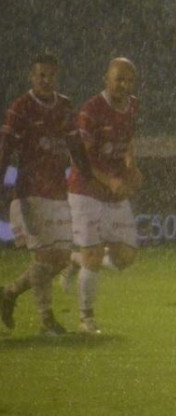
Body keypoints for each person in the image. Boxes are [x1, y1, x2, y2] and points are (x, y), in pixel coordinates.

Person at [0, 53, 91, 335]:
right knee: (44, 257)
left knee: (62, 258)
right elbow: (4, 150)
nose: (45, 80)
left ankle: (10, 293)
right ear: (32, 76)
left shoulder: (64, 106)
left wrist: (88, 178)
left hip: (57, 191)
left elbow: (75, 146)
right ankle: (47, 320)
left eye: (50, 75)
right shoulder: (21, 107)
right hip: (30, 192)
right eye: (40, 75)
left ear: (56, 77)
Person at [66, 57, 143, 334]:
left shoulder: (132, 106)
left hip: (114, 192)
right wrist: (107, 179)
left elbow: (128, 140)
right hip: (85, 192)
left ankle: (77, 260)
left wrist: (131, 167)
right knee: (95, 254)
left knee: (126, 257)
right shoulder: (91, 111)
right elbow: (80, 159)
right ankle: (86, 320)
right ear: (106, 80)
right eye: (118, 79)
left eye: (128, 80)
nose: (123, 85)